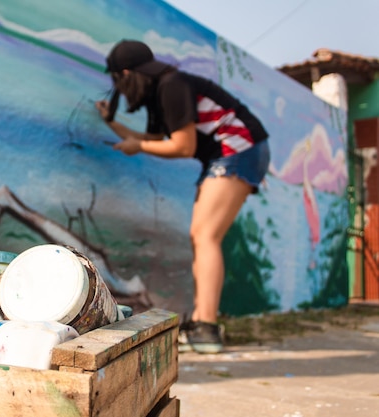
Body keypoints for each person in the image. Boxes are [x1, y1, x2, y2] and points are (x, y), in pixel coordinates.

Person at [95, 39, 270, 354]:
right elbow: (154, 139)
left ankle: (207, 327)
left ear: (125, 73)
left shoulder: (172, 86)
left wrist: (139, 147)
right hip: (228, 153)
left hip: (238, 149)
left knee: (205, 236)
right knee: (202, 237)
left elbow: (183, 146)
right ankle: (203, 323)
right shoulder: (161, 92)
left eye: (117, 80)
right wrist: (112, 122)